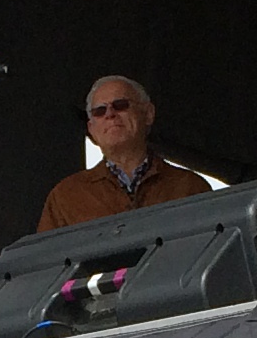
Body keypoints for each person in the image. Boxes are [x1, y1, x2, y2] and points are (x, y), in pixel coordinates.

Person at [35, 75, 212, 233]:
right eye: (99, 111)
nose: (110, 114)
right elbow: (47, 258)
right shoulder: (66, 196)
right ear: (91, 129)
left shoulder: (190, 187)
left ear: (148, 114)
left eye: (120, 105)